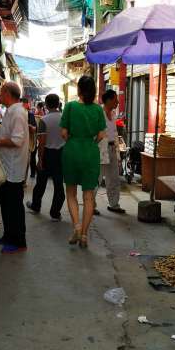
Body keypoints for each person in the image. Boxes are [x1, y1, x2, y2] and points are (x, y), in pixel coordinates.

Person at [60, 76, 106, 249]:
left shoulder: (70, 107)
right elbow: (101, 135)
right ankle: (85, 235)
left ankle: (77, 227)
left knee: (71, 193)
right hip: (90, 153)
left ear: (78, 89)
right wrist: (90, 143)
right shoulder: (97, 110)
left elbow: (63, 133)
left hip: (71, 151)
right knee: (88, 196)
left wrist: (73, 140)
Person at [0, 82, 30, 254]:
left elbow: (17, 140)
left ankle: (18, 241)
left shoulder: (18, 112)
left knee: (14, 206)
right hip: (6, 165)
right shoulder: (11, 111)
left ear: (7, 93)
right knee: (6, 203)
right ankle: (8, 235)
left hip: (13, 167)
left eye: (0, 91)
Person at [26, 93, 66, 221]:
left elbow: (42, 142)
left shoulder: (44, 120)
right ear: (58, 103)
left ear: (46, 105)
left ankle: (36, 205)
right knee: (59, 184)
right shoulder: (64, 118)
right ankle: (55, 212)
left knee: (41, 183)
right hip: (61, 154)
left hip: (47, 154)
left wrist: (40, 159)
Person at [98, 89, 126, 215]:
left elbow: (114, 133)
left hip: (112, 148)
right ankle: (90, 204)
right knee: (96, 178)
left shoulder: (114, 114)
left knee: (114, 178)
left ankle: (114, 204)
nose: (118, 102)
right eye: (115, 99)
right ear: (108, 100)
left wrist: (118, 151)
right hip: (100, 149)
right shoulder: (98, 112)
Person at [21, 98, 38, 179]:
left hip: (28, 142)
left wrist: (28, 126)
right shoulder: (14, 114)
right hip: (18, 141)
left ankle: (24, 180)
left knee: (27, 161)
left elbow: (34, 129)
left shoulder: (30, 115)